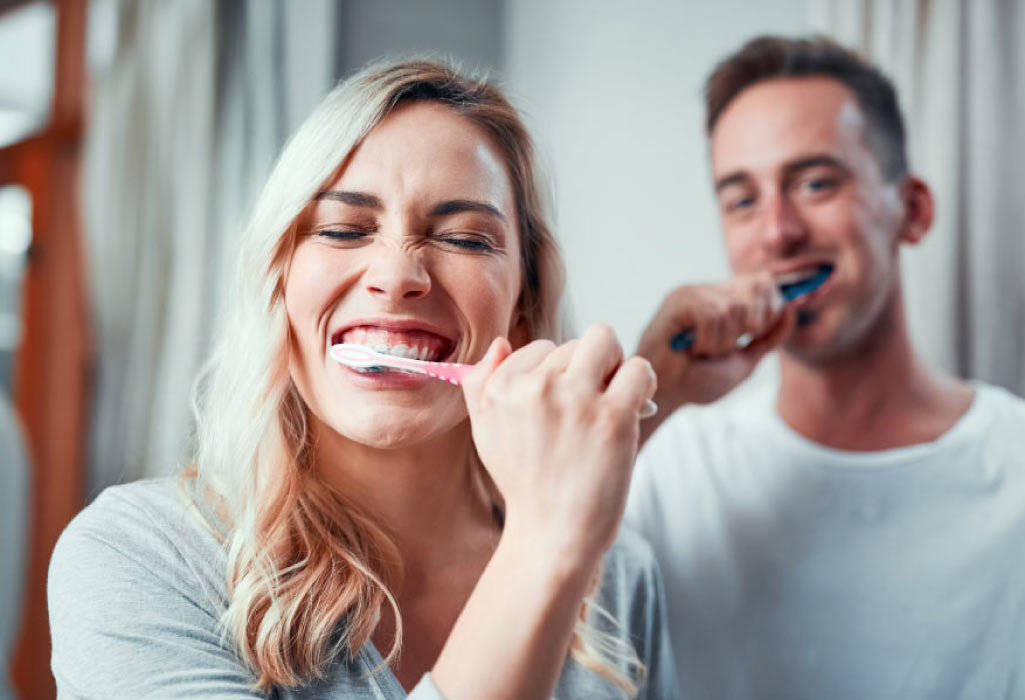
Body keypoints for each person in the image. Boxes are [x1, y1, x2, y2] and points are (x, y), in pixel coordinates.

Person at [48, 59, 679, 700]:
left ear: (522, 303)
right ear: (280, 281)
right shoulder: (139, 558)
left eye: (464, 239)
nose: (398, 274)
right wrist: (543, 548)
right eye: (343, 229)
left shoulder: (617, 572)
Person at [627, 35, 1025, 699]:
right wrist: (652, 388)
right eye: (742, 199)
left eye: (815, 183)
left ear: (912, 210)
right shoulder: (666, 469)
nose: (778, 232)